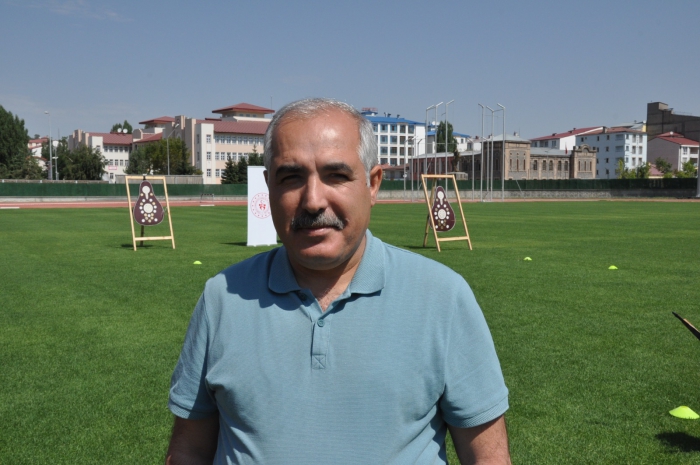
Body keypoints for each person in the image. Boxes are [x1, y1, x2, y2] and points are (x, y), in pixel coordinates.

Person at [165, 98, 510, 465]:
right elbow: (188, 452)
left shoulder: (442, 297)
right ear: (269, 187)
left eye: (336, 175)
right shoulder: (222, 298)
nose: (313, 201)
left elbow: (488, 457)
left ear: (372, 184)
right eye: (291, 177)